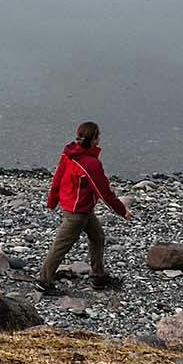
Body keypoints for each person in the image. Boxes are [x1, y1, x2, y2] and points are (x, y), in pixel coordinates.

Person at [39, 120, 130, 293]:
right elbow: (104, 192)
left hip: (79, 207)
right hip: (77, 212)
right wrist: (122, 210)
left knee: (98, 237)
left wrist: (52, 201)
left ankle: (98, 276)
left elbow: (58, 177)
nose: (100, 137)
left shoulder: (70, 152)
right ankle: (44, 281)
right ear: (95, 139)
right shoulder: (90, 164)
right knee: (61, 245)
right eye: (99, 135)